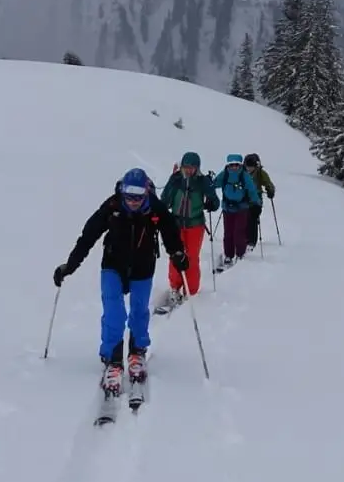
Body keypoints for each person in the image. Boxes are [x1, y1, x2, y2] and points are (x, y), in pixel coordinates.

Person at [52, 167, 186, 394]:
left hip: (143, 265)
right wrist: (70, 266)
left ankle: (137, 352)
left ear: (146, 193)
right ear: (122, 191)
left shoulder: (155, 207)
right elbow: (88, 236)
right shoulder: (112, 206)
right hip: (113, 264)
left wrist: (178, 254)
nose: (133, 201)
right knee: (113, 311)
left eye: (138, 196)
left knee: (139, 310)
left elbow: (171, 232)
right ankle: (113, 359)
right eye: (129, 195)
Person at [157, 151, 219, 313]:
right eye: (186, 167)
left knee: (191, 256)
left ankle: (190, 290)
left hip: (195, 225)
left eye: (192, 167)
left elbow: (214, 200)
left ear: (197, 168)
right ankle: (175, 287)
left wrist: (211, 203)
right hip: (175, 223)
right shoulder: (176, 179)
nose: (189, 170)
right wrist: (162, 210)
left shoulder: (202, 181)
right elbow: (165, 198)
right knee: (175, 255)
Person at [211, 154, 261, 271]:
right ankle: (229, 255)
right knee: (228, 233)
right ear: (228, 165)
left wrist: (256, 203)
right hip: (227, 208)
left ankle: (240, 254)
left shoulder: (244, 175)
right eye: (231, 165)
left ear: (240, 165)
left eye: (236, 165)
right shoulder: (225, 174)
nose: (234, 167)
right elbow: (214, 184)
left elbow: (252, 189)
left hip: (242, 208)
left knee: (239, 232)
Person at [242, 153, 276, 255]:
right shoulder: (242, 173)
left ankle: (251, 241)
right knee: (242, 218)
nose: (249, 169)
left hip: (256, 201)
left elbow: (268, 183)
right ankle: (242, 239)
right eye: (247, 166)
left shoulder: (260, 173)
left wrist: (270, 190)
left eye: (251, 167)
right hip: (243, 200)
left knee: (252, 218)